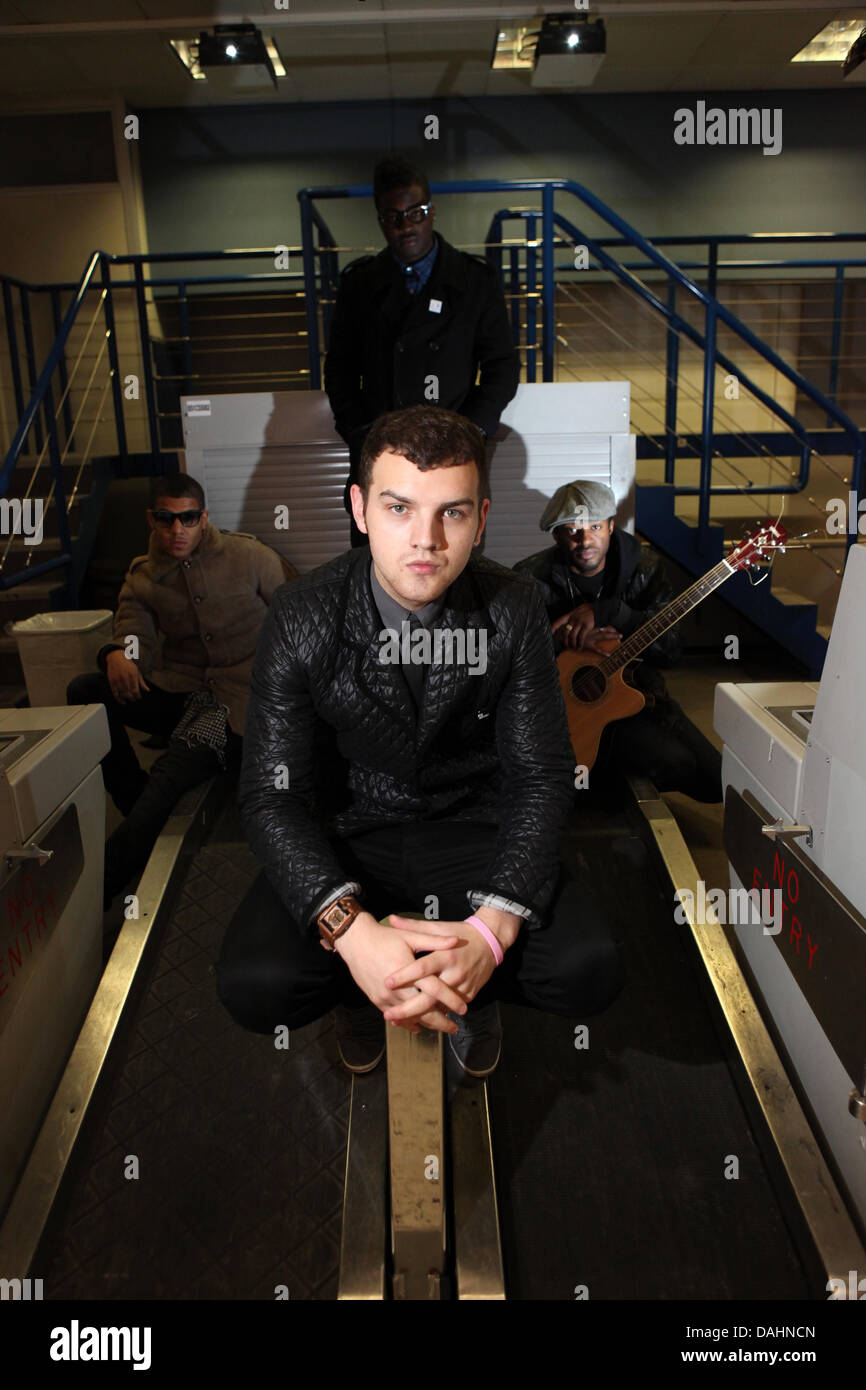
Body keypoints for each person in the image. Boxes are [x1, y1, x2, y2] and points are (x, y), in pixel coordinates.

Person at [216, 406, 622, 1078]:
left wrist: (490, 935)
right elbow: (269, 794)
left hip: (473, 828)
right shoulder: (300, 614)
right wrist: (351, 933)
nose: (426, 540)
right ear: (360, 508)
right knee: (256, 985)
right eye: (400, 507)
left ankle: (467, 986)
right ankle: (365, 987)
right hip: (350, 830)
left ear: (482, 519)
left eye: (452, 514)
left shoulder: (514, 606)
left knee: (589, 970)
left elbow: (541, 776)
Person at [67, 474, 295, 910]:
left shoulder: (250, 556)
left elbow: (296, 617)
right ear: (151, 519)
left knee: (175, 768)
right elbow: (135, 632)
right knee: (85, 692)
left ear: (204, 517)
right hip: (183, 690)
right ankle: (135, 800)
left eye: (188, 518)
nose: (178, 530)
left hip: (238, 700)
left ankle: (94, 896)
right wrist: (117, 653)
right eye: (167, 519)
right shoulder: (144, 574)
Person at [323, 154, 520, 546]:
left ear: (432, 212)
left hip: (453, 453)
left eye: (416, 212)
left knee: (451, 563)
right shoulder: (359, 285)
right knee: (377, 569)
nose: (406, 225)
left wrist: (471, 432)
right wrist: (364, 436)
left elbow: (502, 366)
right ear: (381, 221)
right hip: (381, 457)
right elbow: (340, 372)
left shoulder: (475, 281)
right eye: (393, 217)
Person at [513, 480, 722, 804]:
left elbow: (672, 651)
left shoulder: (645, 568)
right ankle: (605, 772)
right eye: (572, 530)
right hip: (568, 708)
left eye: (595, 526)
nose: (585, 540)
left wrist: (615, 614)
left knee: (716, 782)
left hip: (642, 696)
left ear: (611, 526)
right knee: (673, 761)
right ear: (556, 536)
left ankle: (606, 770)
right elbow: (510, 657)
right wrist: (561, 642)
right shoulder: (530, 577)